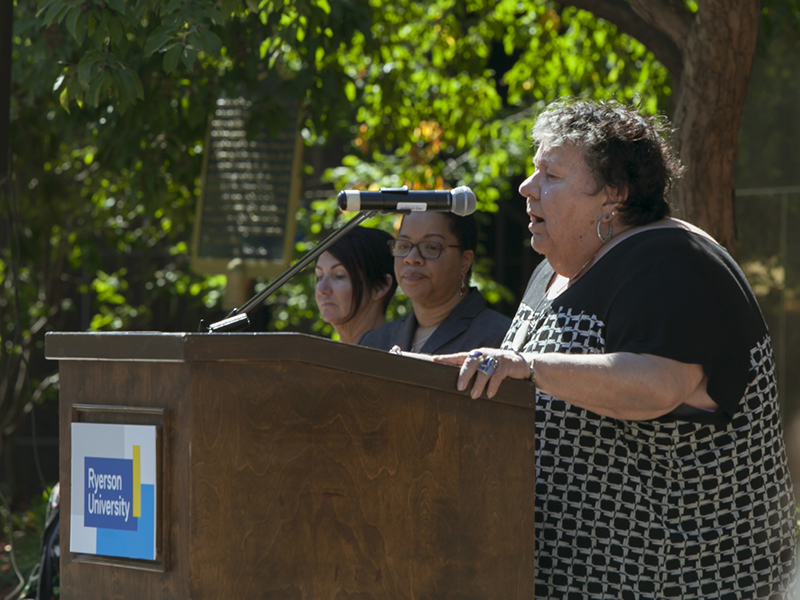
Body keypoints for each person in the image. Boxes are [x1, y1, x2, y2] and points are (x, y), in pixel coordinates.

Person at [435, 99, 797, 598]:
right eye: (533, 170)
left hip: (680, 582)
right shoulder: (552, 271)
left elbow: (656, 385)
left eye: (551, 174)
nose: (526, 187)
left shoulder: (674, 262)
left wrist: (526, 365)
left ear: (614, 195)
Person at [359, 211, 510, 354]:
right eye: (404, 246)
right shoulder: (374, 342)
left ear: (464, 261)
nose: (411, 258)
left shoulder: (500, 339)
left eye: (431, 247)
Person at [314, 226, 397, 345]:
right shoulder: (321, 358)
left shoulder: (397, 358)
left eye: (339, 275)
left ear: (380, 286)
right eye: (319, 277)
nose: (322, 289)